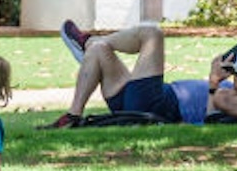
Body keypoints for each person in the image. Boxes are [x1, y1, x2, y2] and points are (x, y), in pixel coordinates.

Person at [43, 22, 211, 129]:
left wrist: (217, 84)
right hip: (135, 101)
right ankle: (72, 116)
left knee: (152, 33)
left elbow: (217, 117)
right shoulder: (231, 88)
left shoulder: (229, 98)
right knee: (99, 50)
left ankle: (88, 42)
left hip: (155, 105)